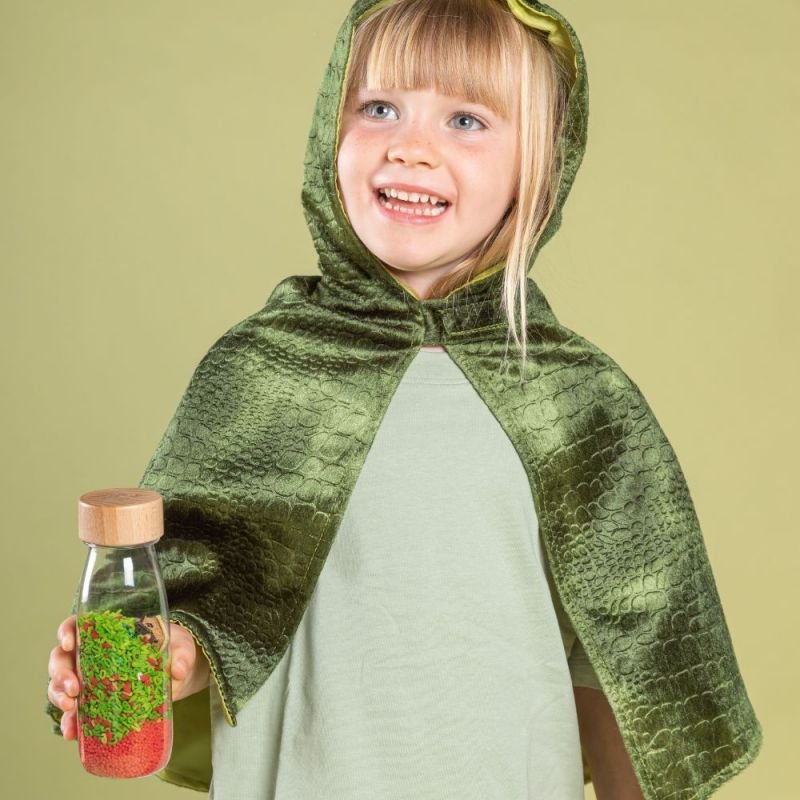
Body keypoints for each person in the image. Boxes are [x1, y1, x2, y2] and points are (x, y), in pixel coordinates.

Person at [46, 1, 763, 798]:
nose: (411, 147)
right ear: (331, 127)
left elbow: (624, 667)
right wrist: (168, 655)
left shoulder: (579, 405)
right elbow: (214, 617)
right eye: (379, 108)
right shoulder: (261, 373)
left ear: (538, 168)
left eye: (466, 120)